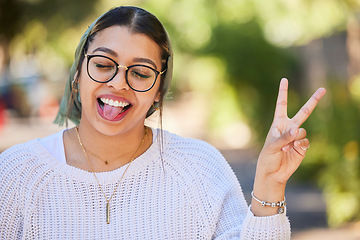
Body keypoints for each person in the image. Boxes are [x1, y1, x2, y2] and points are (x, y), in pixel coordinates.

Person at [0, 6, 326, 239]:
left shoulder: (199, 169)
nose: (118, 83)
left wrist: (269, 184)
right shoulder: (17, 175)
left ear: (158, 91)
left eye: (140, 72)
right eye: (103, 64)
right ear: (78, 74)